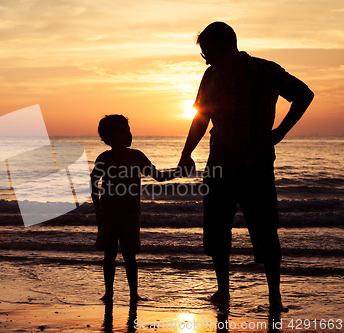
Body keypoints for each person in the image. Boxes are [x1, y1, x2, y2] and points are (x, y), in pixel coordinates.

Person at [178, 22, 314, 312]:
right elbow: (201, 116)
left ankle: (275, 297)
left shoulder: (264, 71)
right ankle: (223, 291)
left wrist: (280, 132)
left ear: (228, 46)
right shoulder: (210, 76)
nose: (206, 60)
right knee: (216, 231)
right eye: (204, 55)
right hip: (219, 165)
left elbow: (304, 94)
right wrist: (187, 152)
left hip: (256, 165)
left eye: (209, 53)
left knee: (265, 231)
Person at [91, 114, 179, 303]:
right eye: (121, 131)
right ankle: (109, 293)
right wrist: (97, 209)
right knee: (110, 256)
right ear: (107, 138)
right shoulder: (104, 158)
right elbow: (93, 182)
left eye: (128, 130)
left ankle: (133, 294)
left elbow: (158, 176)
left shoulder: (137, 156)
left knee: (130, 256)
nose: (127, 134)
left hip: (131, 215)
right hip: (108, 215)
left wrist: (179, 172)